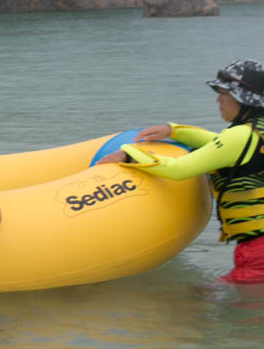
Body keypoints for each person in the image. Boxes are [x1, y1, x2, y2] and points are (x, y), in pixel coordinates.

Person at [96, 59, 264, 284]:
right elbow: (219, 144)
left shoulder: (240, 136)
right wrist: (173, 132)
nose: (218, 99)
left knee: (230, 310)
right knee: (213, 298)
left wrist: (128, 155)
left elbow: (179, 169)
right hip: (257, 249)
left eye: (223, 92)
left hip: (258, 252)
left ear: (243, 99)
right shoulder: (255, 131)